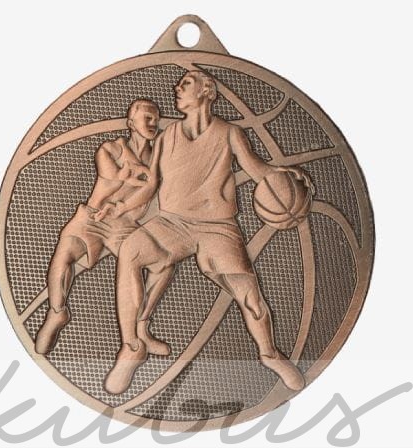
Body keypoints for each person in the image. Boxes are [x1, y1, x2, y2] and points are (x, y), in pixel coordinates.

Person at [103, 71, 307, 394]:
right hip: (173, 223)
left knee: (250, 296)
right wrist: (122, 207)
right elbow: (151, 186)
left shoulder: (230, 133)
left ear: (206, 91)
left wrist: (283, 176)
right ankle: (131, 347)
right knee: (131, 250)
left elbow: (257, 170)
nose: (177, 88)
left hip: (218, 227)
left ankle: (270, 354)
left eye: (185, 84)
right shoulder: (167, 136)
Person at [35, 99, 174, 357]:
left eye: (156, 119)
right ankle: (56, 312)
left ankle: (141, 327)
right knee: (64, 254)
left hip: (125, 225)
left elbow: (153, 187)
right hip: (93, 218)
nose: (153, 123)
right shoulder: (110, 149)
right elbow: (115, 175)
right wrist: (139, 176)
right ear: (130, 123)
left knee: (163, 264)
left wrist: (132, 196)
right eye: (147, 118)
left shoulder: (159, 158)